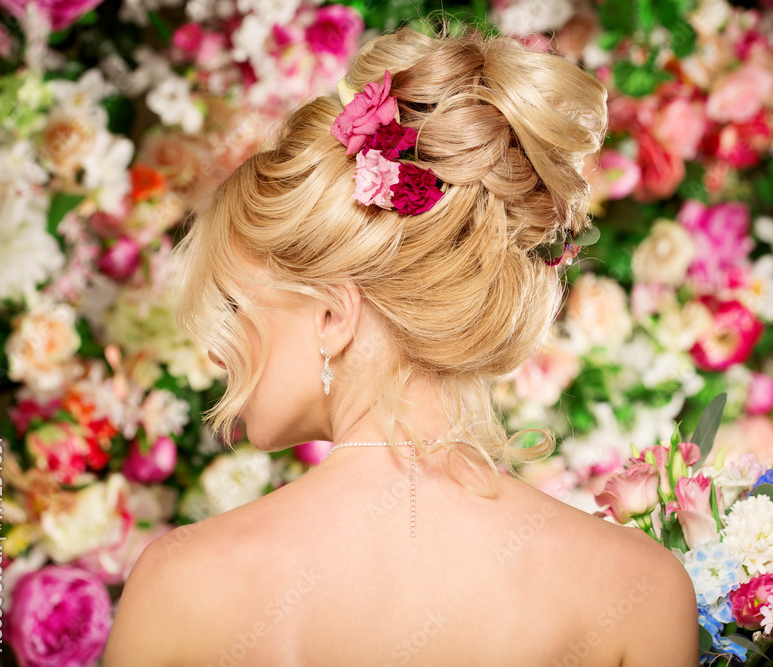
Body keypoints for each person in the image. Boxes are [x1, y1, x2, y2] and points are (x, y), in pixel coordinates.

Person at [103, 26, 698, 666]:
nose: (218, 355)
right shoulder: (639, 587)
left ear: (333, 315)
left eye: (232, 309)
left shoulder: (183, 583)